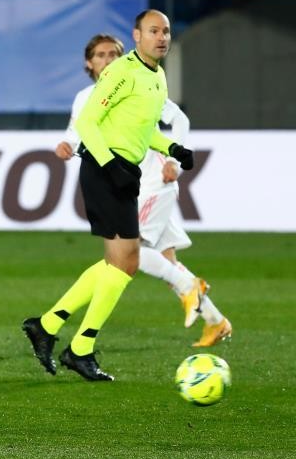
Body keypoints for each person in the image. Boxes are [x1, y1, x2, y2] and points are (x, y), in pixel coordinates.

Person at [22, 10, 195, 381]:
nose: (161, 37)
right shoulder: (122, 71)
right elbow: (86, 122)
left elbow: (142, 130)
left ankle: (48, 327)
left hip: (122, 171)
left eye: (166, 30)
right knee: (126, 263)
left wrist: (173, 149)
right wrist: (110, 165)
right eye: (153, 31)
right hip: (105, 171)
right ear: (136, 35)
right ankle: (79, 347)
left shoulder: (157, 76)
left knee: (118, 263)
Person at [54, 34, 232, 347]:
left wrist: (174, 163)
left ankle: (62, 330)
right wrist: (67, 145)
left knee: (129, 257)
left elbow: (179, 120)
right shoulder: (85, 98)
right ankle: (216, 321)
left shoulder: (138, 81)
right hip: (124, 186)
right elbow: (77, 131)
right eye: (100, 55)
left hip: (150, 182)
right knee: (163, 258)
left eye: (114, 54)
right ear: (89, 63)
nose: (108, 60)